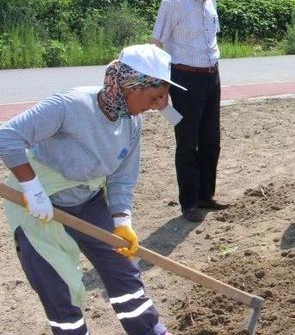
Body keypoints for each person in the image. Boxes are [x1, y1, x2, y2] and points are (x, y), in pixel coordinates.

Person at [0, 44, 180, 335]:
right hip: (39, 205)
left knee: (123, 271)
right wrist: (32, 189)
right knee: (58, 287)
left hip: (89, 201)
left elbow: (122, 177)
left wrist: (122, 221)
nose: (158, 105)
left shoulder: (131, 123)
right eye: (154, 96)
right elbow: (7, 136)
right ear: (132, 88)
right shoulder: (71, 105)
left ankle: (148, 330)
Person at [152, 0, 229, 223]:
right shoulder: (173, 2)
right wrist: (160, 86)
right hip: (184, 78)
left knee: (211, 139)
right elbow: (157, 44)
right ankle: (189, 202)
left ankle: (206, 195)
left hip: (211, 76)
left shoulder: (210, 1)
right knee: (187, 141)